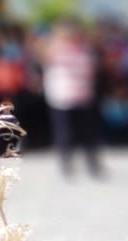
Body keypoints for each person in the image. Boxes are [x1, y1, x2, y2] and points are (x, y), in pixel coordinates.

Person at [41, 19, 104, 178]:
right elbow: (42, 53)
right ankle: (66, 162)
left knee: (88, 133)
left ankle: (92, 163)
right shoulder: (56, 49)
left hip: (83, 96)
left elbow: (93, 67)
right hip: (62, 97)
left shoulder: (85, 49)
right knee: (65, 133)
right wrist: (56, 39)